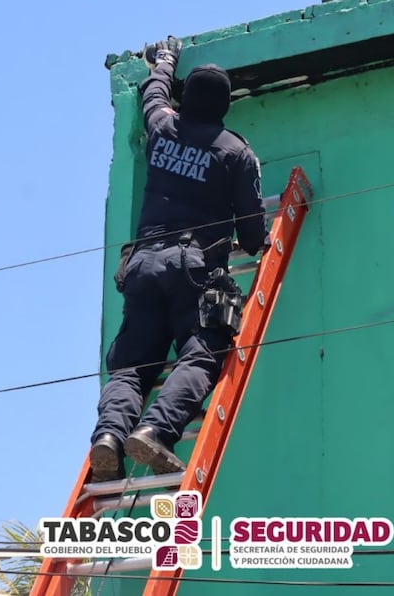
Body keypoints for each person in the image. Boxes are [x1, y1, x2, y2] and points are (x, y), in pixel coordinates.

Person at [87, 36, 268, 482]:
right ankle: (155, 431)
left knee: (131, 365)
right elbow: (252, 234)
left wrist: (165, 61)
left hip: (142, 264)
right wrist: (248, 240)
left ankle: (109, 436)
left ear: (186, 100)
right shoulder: (236, 152)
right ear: (224, 106)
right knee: (202, 353)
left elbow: (152, 93)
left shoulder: (163, 126)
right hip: (193, 268)